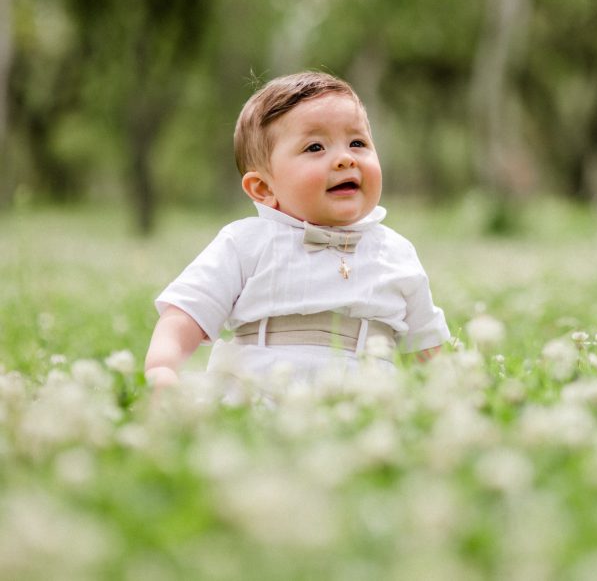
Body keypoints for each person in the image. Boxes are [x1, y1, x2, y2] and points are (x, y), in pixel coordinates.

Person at [144, 71, 449, 392]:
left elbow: (427, 343)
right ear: (262, 187)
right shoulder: (246, 242)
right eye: (315, 147)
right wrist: (162, 367)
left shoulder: (397, 252)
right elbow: (187, 312)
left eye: (357, 143)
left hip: (366, 403)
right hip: (258, 395)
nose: (345, 158)